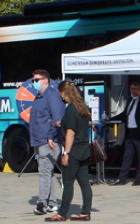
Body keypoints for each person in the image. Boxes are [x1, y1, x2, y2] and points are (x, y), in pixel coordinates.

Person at [46, 81, 93, 222]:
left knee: (67, 183)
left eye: (61, 94)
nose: (61, 97)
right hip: (84, 150)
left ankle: (61, 214)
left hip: (74, 151)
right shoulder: (82, 108)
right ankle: (85, 212)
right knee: (84, 183)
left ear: (64, 92)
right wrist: (63, 123)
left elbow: (71, 133)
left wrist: (65, 153)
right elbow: (77, 126)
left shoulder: (71, 109)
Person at [29, 69, 66, 215]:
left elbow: (57, 119)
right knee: (47, 172)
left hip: (48, 141)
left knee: (44, 172)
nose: (34, 83)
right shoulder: (39, 97)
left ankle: (42, 203)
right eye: (33, 80)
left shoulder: (52, 96)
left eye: (36, 80)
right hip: (39, 140)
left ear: (46, 80)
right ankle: (52, 203)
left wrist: (51, 137)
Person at [110, 81, 140, 186]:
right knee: (127, 156)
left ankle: (139, 178)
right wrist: (111, 119)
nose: (134, 91)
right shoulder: (129, 100)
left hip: (139, 132)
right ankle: (122, 178)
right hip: (130, 131)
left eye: (136, 88)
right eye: (132, 89)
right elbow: (125, 114)